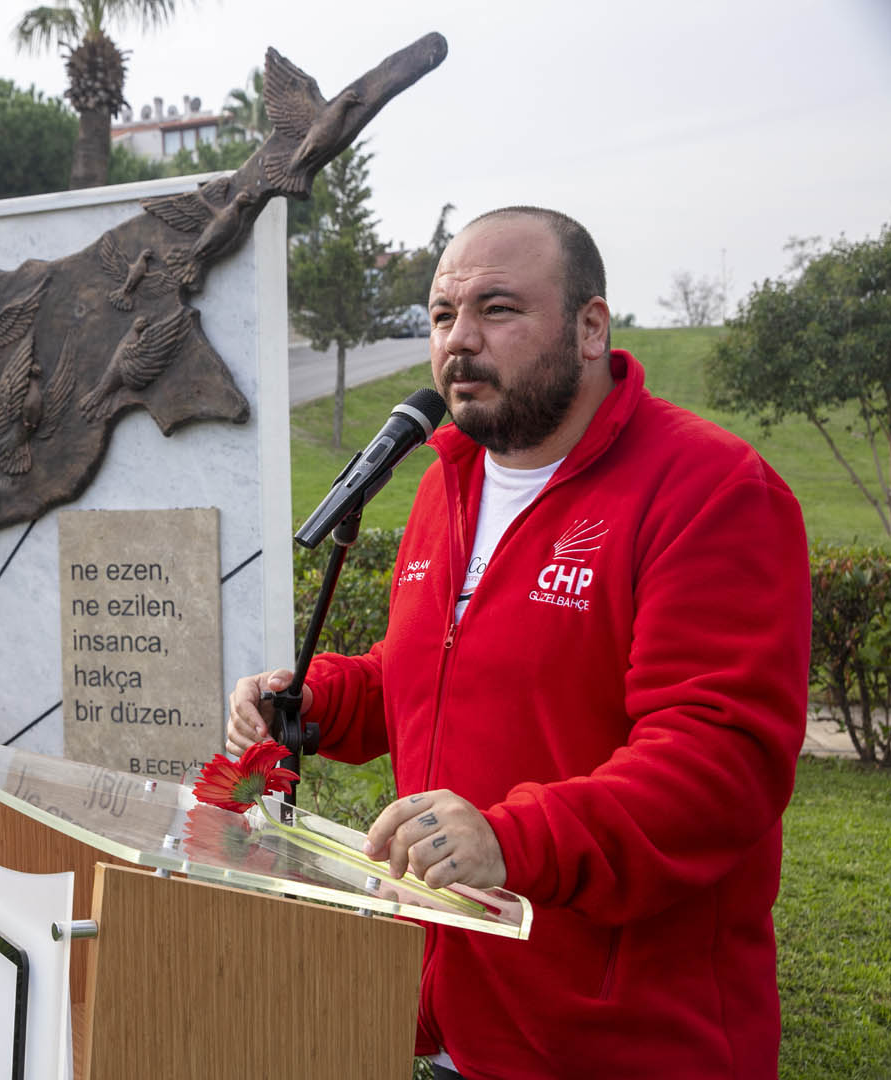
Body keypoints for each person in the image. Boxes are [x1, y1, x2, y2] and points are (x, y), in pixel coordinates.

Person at [227, 207, 810, 1080]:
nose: (459, 341)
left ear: (589, 327)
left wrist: (513, 840)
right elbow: (433, 671)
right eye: (440, 316)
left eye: (497, 310)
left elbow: (720, 761)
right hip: (456, 1017)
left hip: (623, 1041)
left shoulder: (710, 490)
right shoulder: (448, 482)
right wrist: (321, 700)